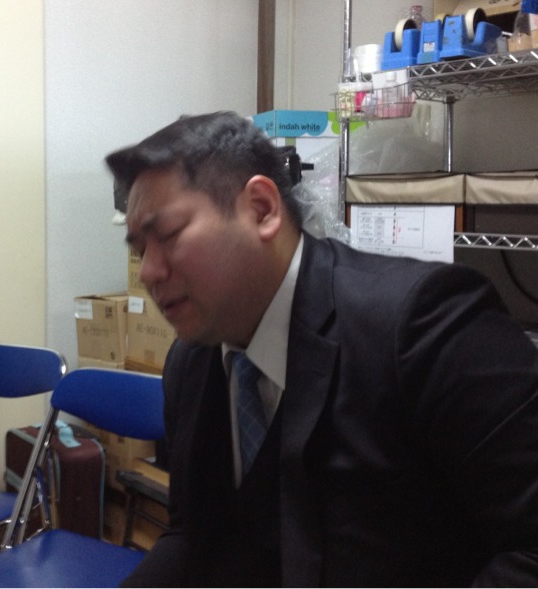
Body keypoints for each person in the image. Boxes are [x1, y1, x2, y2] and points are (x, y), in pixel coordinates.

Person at [104, 111, 538, 587]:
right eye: (139, 249)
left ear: (261, 209)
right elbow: (192, 536)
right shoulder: (191, 363)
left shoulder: (423, 326)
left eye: (168, 235)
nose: (148, 272)